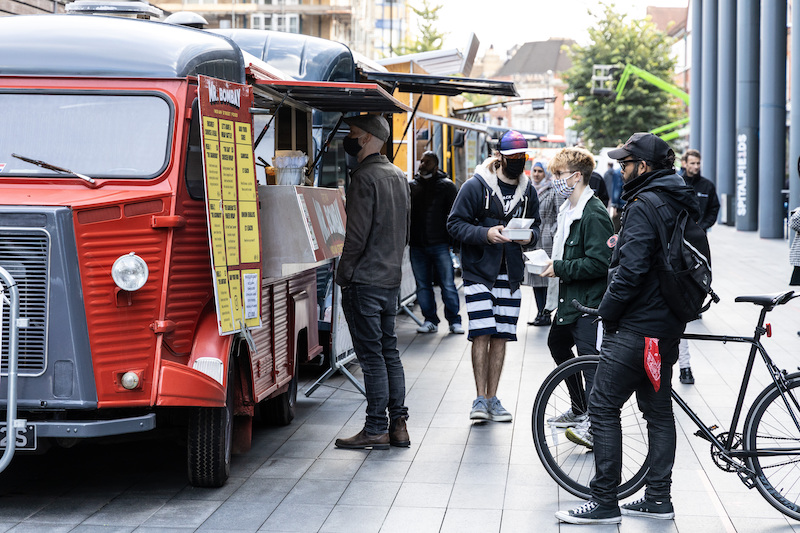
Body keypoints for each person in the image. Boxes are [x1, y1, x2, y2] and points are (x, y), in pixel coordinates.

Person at [556, 133, 700, 525]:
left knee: (602, 405)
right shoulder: (674, 198)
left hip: (639, 326)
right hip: (666, 324)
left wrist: (607, 311)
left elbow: (632, 271)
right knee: (657, 410)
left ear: (645, 167)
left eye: (627, 162)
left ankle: (604, 501)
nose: (621, 169)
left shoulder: (643, 203)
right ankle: (658, 498)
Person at [447, 130, 541, 422]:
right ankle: (479, 398)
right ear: (499, 156)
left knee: (501, 335)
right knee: (481, 332)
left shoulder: (528, 191)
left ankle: (492, 398)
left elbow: (536, 228)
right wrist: (485, 234)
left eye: (522, 157)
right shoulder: (476, 187)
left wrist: (529, 238)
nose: (518, 162)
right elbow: (454, 224)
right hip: (478, 272)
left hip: (511, 273)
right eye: (512, 157)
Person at [334, 114, 411, 450]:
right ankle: (398, 426)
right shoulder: (398, 176)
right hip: (389, 279)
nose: (349, 139)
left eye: (353, 133)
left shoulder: (364, 178)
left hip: (364, 280)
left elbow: (356, 236)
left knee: (371, 357)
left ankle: (376, 428)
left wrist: (344, 274)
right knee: (389, 352)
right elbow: (405, 232)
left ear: (366, 138)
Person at [539, 147, 613, 431]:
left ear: (577, 176)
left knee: (589, 362)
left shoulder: (593, 213)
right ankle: (580, 408)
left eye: (559, 174)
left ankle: (597, 427)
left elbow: (600, 263)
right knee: (557, 344)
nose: (555, 179)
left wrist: (560, 267)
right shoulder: (568, 209)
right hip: (570, 301)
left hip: (588, 304)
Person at [676, 149, 721, 384]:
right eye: (692, 163)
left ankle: (695, 302)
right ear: (684, 163)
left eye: (698, 163)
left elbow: (714, 208)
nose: (696, 166)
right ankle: (684, 366)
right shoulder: (676, 183)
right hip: (678, 246)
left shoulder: (707, 185)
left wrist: (702, 226)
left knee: (699, 275)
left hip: (699, 243)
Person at [409, 151, 464, 335]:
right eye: (421, 161)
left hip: (440, 244)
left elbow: (455, 216)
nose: (422, 164)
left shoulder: (447, 186)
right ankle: (430, 320)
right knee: (422, 285)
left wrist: (454, 244)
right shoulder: (412, 187)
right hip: (417, 245)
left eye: (427, 162)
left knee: (447, 285)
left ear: (436, 165)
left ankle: (454, 320)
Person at [526, 160, 562, 326]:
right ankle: (540, 312)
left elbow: (559, 212)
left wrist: (553, 233)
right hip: (533, 238)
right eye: (535, 171)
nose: (537, 174)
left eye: (540, 171)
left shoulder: (553, 189)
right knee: (536, 278)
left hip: (548, 239)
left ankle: (546, 313)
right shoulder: (528, 189)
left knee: (546, 277)